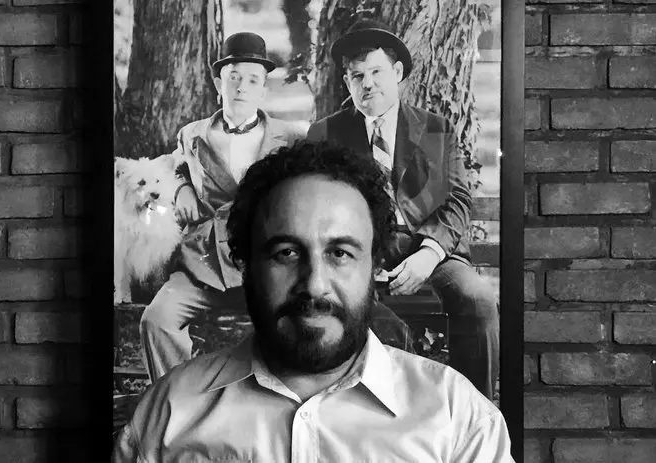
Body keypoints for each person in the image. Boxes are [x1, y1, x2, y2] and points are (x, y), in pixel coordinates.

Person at [113, 141, 514, 462]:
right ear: (245, 265)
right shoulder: (169, 413)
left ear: (374, 265)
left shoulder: (458, 420)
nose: (314, 285)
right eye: (286, 252)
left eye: (340, 253)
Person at [139, 31, 414, 382]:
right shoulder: (192, 134)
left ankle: (290, 398)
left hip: (267, 261)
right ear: (218, 83)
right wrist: (181, 190)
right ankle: (179, 396)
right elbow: (171, 168)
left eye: (253, 80)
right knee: (156, 320)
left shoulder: (292, 136)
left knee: (303, 322)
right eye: (233, 77)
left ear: (263, 90)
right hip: (205, 262)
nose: (242, 87)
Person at [307, 18, 500, 400]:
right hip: (361, 255)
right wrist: (355, 253)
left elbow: (458, 199)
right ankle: (382, 412)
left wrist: (429, 254)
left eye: (376, 72)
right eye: (357, 76)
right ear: (347, 82)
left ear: (397, 73)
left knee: (477, 300)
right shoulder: (326, 134)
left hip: (431, 251)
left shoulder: (436, 129)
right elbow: (319, 205)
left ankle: (473, 411)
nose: (368, 84)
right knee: (352, 310)